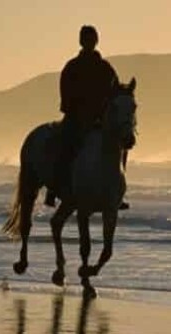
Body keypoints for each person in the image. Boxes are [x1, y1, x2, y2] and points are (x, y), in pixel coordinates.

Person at [45, 25, 128, 209]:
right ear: (81, 42)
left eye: (92, 39)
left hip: (100, 120)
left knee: (122, 145)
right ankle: (54, 189)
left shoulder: (106, 68)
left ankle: (117, 192)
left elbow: (114, 94)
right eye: (86, 39)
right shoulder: (72, 67)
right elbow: (65, 94)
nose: (89, 43)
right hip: (76, 118)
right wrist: (77, 110)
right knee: (65, 143)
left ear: (95, 41)